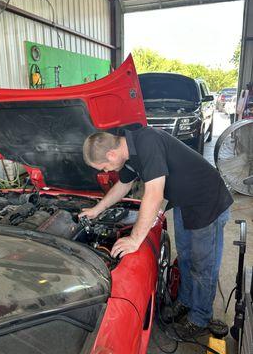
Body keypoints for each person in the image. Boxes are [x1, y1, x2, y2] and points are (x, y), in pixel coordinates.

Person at [79, 127, 233, 339]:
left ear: (111, 154)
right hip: (184, 202)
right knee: (186, 258)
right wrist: (97, 209)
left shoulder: (147, 142)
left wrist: (135, 239)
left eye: (104, 167)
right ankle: (186, 302)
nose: (105, 172)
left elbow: (154, 194)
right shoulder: (128, 154)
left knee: (202, 266)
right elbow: (123, 185)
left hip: (208, 202)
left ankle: (200, 317)